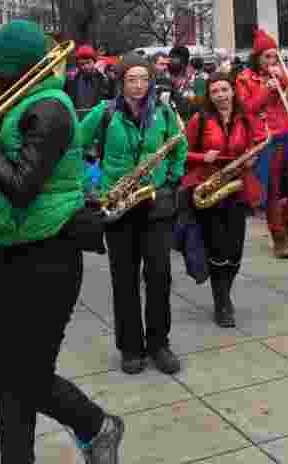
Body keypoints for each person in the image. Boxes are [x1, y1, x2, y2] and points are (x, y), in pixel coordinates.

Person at [0, 20, 124, 464]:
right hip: (9, 251)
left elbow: (21, 186)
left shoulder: (51, 108)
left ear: (15, 70)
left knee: (28, 376)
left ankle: (96, 425)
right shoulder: (20, 104)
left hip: (47, 257)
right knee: (5, 374)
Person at [79, 53, 188, 375]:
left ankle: (159, 344)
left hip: (155, 205)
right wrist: (93, 182)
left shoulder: (164, 113)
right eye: (131, 79)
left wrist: (170, 180)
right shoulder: (104, 112)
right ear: (120, 82)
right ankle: (130, 348)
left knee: (159, 276)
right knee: (124, 280)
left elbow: (179, 146)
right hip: (118, 207)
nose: (138, 85)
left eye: (143, 79)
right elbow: (74, 146)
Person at [181, 72, 261, 326]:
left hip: (237, 188)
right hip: (210, 188)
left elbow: (253, 148)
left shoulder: (245, 119)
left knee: (235, 250)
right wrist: (201, 157)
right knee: (217, 247)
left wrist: (252, 158)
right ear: (209, 95)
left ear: (232, 91)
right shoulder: (199, 119)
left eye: (224, 90)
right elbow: (182, 152)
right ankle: (222, 301)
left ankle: (225, 292)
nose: (220, 96)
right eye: (215, 91)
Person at [235, 28, 288, 258]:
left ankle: (287, 224)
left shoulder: (283, 74)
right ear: (257, 58)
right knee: (272, 190)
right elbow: (246, 108)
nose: (272, 61)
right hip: (266, 138)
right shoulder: (244, 78)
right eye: (267, 57)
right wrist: (265, 90)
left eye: (275, 56)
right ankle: (278, 235)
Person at [65, 45, 106, 116]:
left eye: (88, 62)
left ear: (94, 62)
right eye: (82, 64)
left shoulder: (103, 80)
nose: (86, 67)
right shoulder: (72, 81)